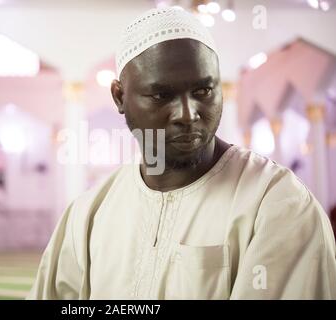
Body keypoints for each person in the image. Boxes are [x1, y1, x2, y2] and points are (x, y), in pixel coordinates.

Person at [28, 7, 336, 299]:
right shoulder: (89, 214)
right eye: (162, 95)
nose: (188, 114)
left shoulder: (276, 203)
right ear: (119, 96)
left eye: (203, 91)